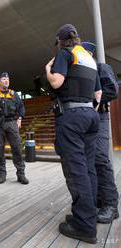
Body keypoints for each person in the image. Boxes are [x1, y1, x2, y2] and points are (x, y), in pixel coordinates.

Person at [45, 24, 102, 244]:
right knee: (88, 169)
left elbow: (57, 82)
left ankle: (85, 227)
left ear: (60, 41)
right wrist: (87, 110)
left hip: (72, 117)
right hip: (90, 115)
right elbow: (98, 94)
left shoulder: (64, 54)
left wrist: (48, 70)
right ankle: (87, 215)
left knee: (76, 171)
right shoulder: (89, 58)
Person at [82, 41, 119, 223]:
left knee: (100, 159)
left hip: (100, 116)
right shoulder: (80, 72)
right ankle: (98, 199)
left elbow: (112, 90)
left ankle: (111, 205)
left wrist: (92, 101)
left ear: (90, 53)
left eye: (83, 52)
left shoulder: (101, 67)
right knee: (90, 160)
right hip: (85, 120)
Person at [0, 72, 29, 185]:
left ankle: (21, 174)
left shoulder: (14, 94)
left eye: (7, 79)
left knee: (17, 148)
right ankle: (2, 174)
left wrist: (20, 118)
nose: (6, 80)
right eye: (3, 79)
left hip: (12, 123)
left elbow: (21, 107)